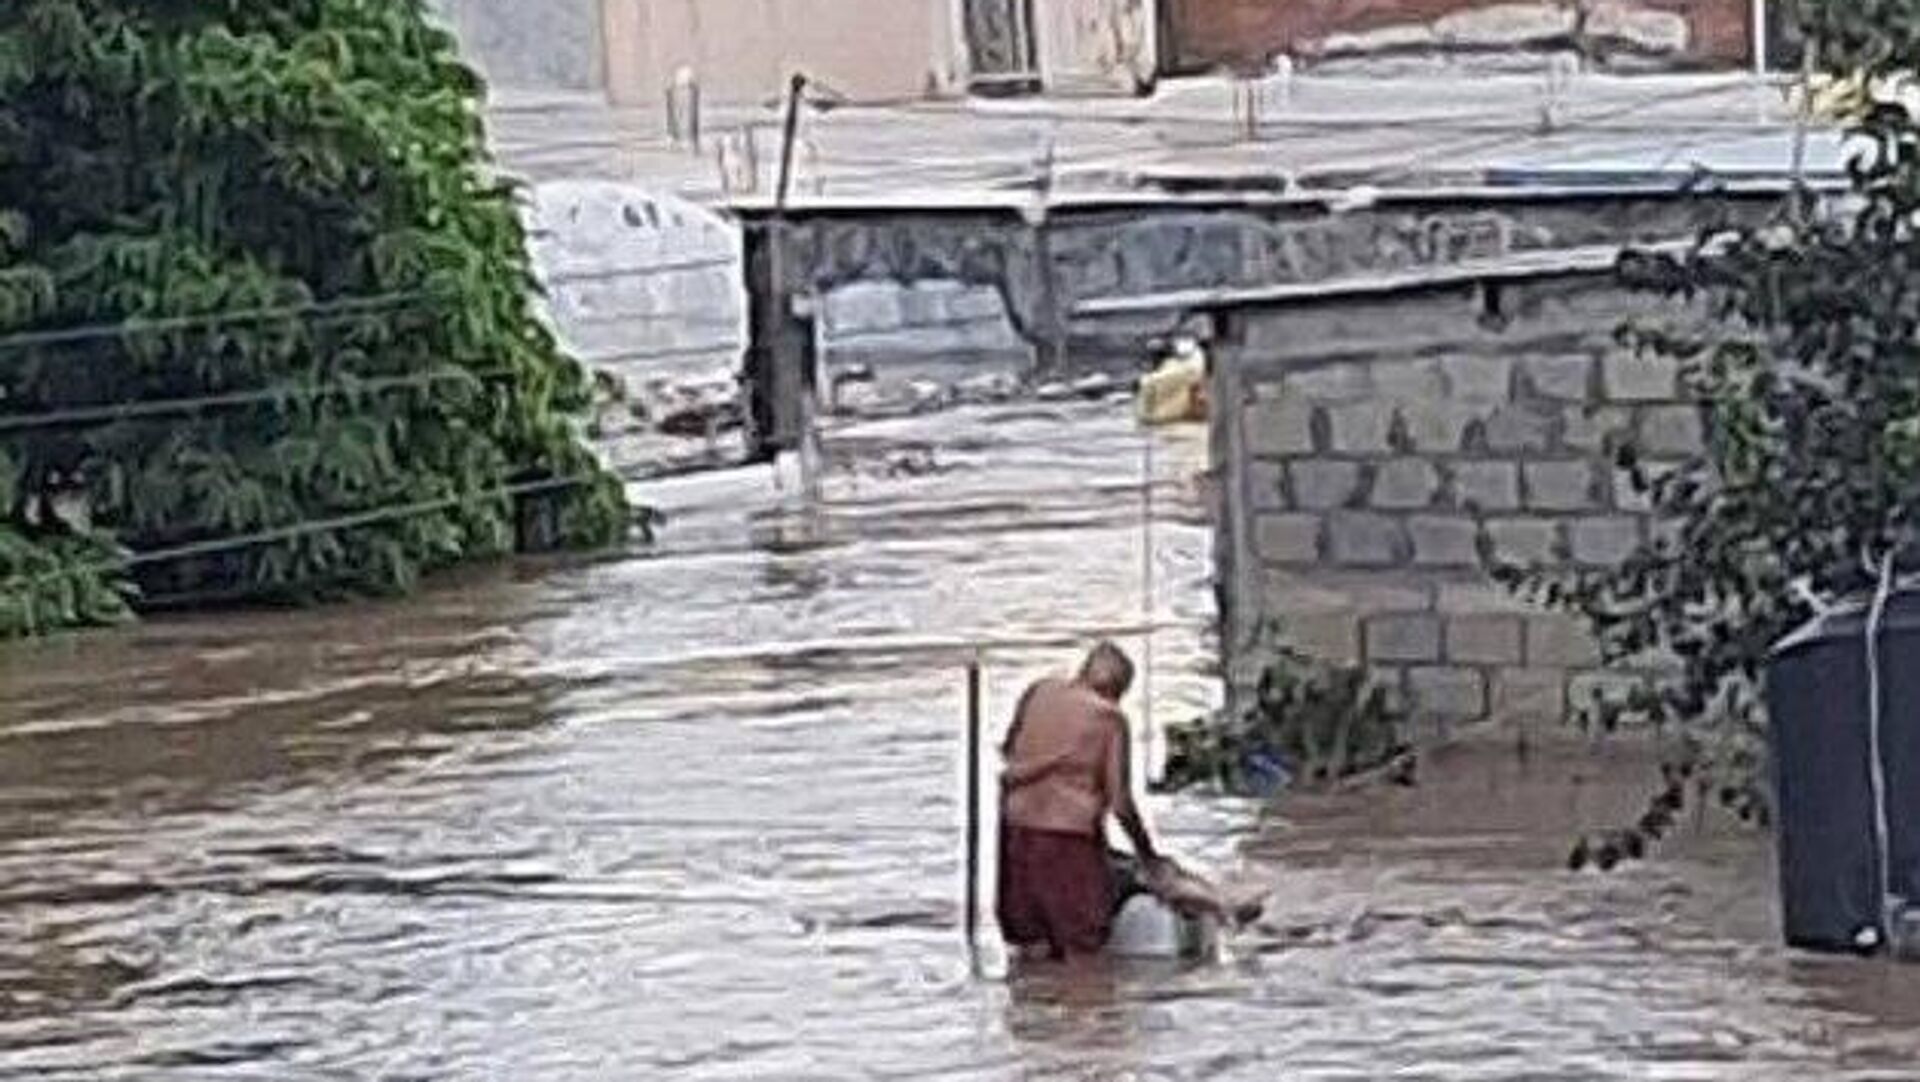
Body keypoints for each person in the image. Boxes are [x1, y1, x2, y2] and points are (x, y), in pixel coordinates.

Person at [997, 642, 1258, 961]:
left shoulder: (1039, 692)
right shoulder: (1108, 718)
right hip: (1069, 843)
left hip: (1015, 833)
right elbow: (1120, 803)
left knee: (1030, 946)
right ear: (1117, 690)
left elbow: (1009, 750)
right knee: (1082, 951)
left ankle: (1029, 1005)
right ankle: (1222, 908)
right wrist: (1148, 856)